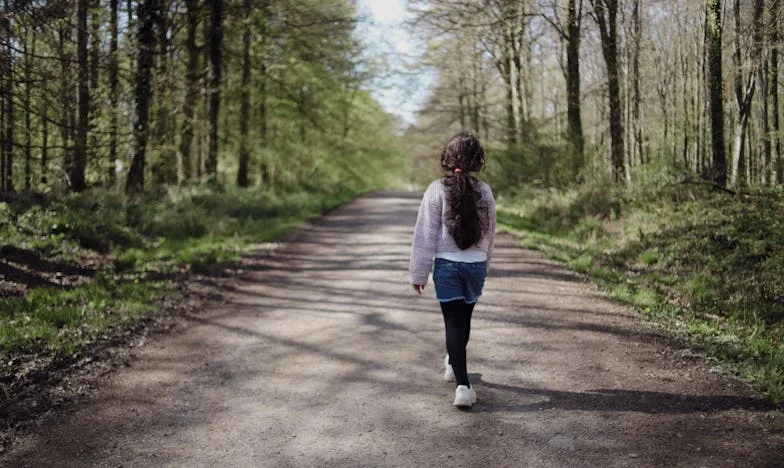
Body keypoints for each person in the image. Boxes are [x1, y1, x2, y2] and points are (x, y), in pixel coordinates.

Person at [409, 131, 496, 408]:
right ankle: (453, 363)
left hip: (446, 265)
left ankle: (462, 385)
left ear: (447, 158)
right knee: (464, 319)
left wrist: (419, 273)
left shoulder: (436, 189)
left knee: (452, 322)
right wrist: (484, 264)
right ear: (477, 160)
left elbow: (425, 234)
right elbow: (490, 234)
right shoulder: (484, 191)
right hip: (475, 266)